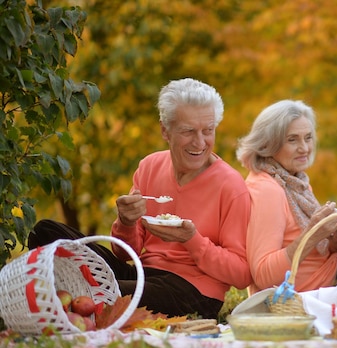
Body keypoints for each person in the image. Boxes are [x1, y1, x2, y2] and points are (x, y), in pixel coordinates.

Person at [28, 78, 252, 320]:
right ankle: (80, 294)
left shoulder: (231, 185)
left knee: (111, 292)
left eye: (208, 130)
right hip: (143, 274)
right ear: (165, 130)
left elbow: (240, 275)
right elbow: (125, 253)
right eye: (188, 131)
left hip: (193, 290)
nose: (200, 142)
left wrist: (192, 240)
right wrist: (125, 221)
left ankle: (74, 296)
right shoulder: (150, 166)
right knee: (45, 233)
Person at [236, 99, 337, 294]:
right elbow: (262, 276)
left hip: (322, 275)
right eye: (292, 139)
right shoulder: (267, 190)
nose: (304, 148)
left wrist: (333, 243)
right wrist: (312, 235)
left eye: (308, 137)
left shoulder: (295, 181)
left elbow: (307, 249)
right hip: (302, 292)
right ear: (268, 144)